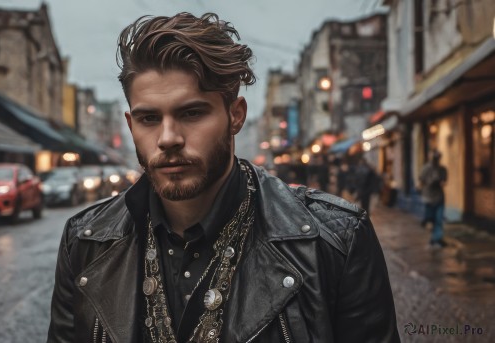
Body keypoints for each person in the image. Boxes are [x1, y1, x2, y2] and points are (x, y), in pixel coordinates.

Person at [47, 12, 399, 343]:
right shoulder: (85, 243)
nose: (168, 138)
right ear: (130, 125)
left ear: (235, 115)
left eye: (192, 112)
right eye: (149, 119)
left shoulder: (334, 242)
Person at [418, 149, 448, 248]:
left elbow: (444, 182)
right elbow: (421, 181)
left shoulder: (442, 169)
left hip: (439, 197)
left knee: (438, 219)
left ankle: (437, 239)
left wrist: (440, 182)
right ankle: (433, 238)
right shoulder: (426, 168)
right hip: (429, 198)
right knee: (431, 220)